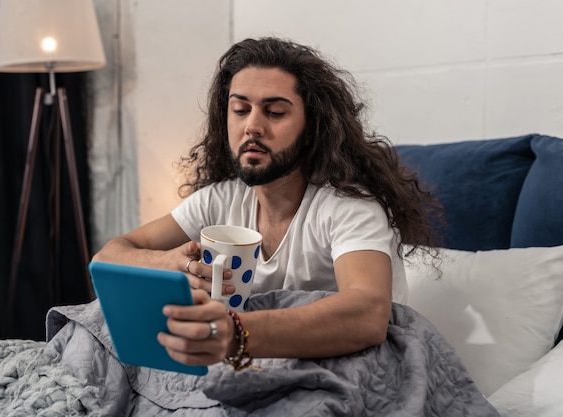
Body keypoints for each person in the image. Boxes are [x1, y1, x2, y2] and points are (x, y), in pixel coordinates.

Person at [92, 37, 440, 370]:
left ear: (313, 127)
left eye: (274, 112)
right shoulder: (218, 200)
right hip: (251, 363)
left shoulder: (348, 208)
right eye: (240, 110)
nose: (252, 126)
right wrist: (168, 263)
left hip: (349, 364)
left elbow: (368, 314)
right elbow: (109, 257)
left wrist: (234, 334)